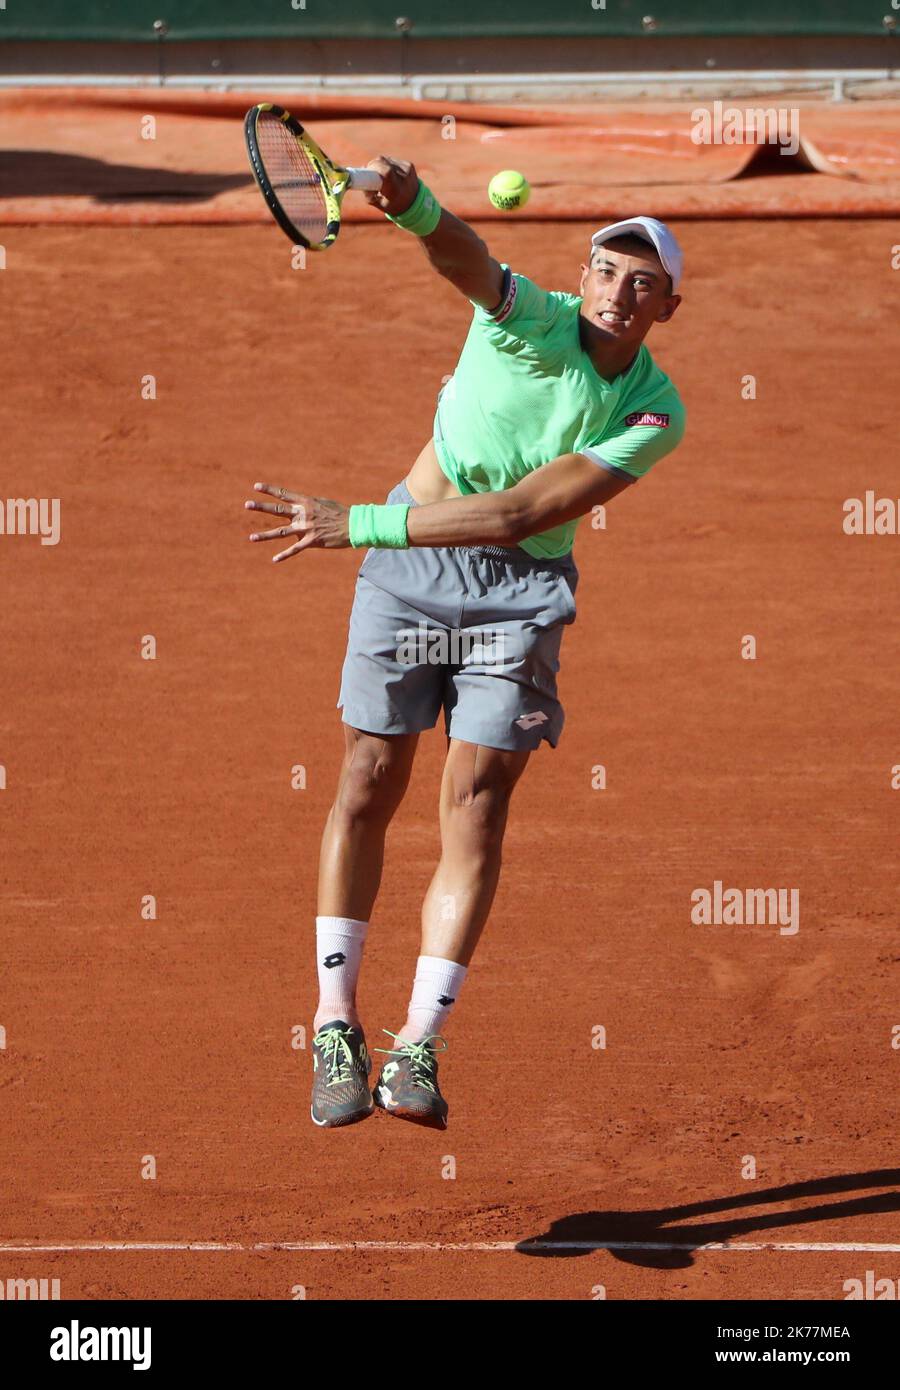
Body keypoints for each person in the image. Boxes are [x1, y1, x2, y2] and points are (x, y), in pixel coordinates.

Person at [245, 156, 686, 1131]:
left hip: (517, 595)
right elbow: (463, 255)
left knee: (476, 807)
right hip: (410, 574)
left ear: (668, 306)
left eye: (642, 280)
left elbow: (526, 510)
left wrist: (354, 523)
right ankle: (334, 1023)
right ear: (585, 277)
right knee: (366, 777)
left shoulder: (656, 411)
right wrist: (411, 203)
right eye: (608, 270)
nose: (619, 289)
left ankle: (419, 1045)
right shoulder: (525, 312)